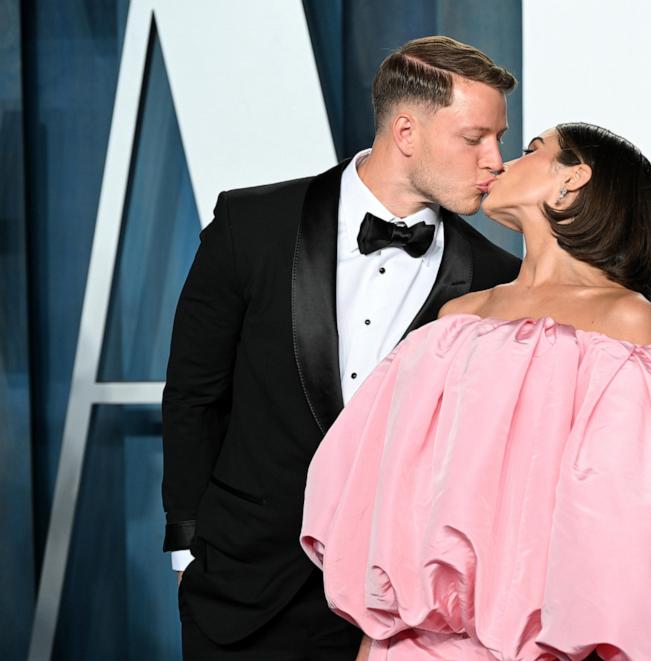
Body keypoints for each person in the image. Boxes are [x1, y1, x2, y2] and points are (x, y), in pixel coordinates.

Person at [301, 123, 651, 660]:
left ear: (572, 179)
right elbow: (391, 504)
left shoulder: (623, 322)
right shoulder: (455, 322)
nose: (499, 163)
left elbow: (624, 524)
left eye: (530, 151)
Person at [162, 36, 521, 660]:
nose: (496, 159)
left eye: (500, 138)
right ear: (406, 130)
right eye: (475, 138)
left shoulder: (496, 277)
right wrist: (190, 550)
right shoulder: (252, 224)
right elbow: (195, 393)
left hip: (400, 617)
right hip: (243, 590)